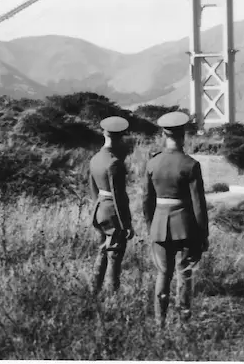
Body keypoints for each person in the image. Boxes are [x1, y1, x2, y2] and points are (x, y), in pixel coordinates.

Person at [143, 111, 209, 328]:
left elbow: (147, 201)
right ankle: (184, 321)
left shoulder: (153, 163)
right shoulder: (190, 164)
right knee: (184, 273)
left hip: (159, 226)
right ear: (183, 135)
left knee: (163, 273)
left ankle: (160, 321)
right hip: (185, 227)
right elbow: (198, 205)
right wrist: (203, 234)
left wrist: (150, 226)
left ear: (164, 134)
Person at [89, 116, 135, 293]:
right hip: (112, 211)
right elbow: (119, 196)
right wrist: (126, 223)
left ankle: (94, 290)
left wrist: (97, 207)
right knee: (115, 254)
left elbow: (92, 187)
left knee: (102, 250)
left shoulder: (95, 158)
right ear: (121, 136)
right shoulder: (115, 162)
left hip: (99, 209)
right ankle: (112, 294)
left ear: (104, 133)